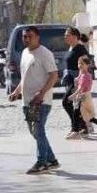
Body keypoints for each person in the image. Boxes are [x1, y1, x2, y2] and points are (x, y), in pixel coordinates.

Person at [9, 26, 60, 174]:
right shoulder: (25, 53)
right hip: (27, 100)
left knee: (38, 129)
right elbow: (25, 76)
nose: (26, 39)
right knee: (35, 132)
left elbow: (54, 76)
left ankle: (42, 162)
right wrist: (16, 91)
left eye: (29, 36)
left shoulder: (45, 53)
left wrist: (42, 93)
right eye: (24, 37)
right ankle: (52, 160)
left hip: (41, 101)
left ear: (37, 37)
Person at [72, 55, 97, 139]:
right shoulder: (82, 74)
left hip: (84, 96)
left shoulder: (86, 76)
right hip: (82, 96)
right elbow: (78, 83)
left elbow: (81, 88)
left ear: (87, 65)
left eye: (82, 64)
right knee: (83, 114)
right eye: (79, 63)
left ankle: (78, 131)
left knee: (80, 113)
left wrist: (73, 95)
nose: (80, 65)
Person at [63, 27, 89, 138]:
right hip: (69, 80)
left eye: (67, 35)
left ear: (74, 36)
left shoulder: (80, 48)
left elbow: (85, 65)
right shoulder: (71, 47)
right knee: (75, 105)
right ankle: (82, 127)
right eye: (65, 35)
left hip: (77, 80)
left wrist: (79, 78)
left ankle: (76, 128)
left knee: (66, 102)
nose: (65, 37)